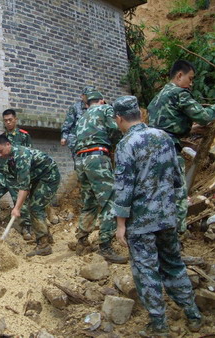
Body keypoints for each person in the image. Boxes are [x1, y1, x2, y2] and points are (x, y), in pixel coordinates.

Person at [113, 95, 203, 337]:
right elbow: (177, 179)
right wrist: (178, 213)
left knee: (147, 271)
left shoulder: (126, 145)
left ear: (120, 119)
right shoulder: (163, 137)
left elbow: (124, 187)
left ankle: (159, 325)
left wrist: (120, 224)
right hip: (167, 218)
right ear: (139, 115)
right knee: (174, 265)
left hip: (141, 223)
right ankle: (193, 315)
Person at [148, 60, 215, 234]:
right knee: (178, 194)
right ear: (179, 75)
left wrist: (190, 129)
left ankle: (159, 236)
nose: (191, 84)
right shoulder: (179, 93)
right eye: (190, 79)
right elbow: (204, 116)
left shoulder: (157, 98)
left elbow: (167, 126)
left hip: (153, 151)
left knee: (160, 194)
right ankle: (176, 240)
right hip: (169, 150)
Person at [71, 90, 127, 264]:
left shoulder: (81, 117)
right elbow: (115, 129)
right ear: (102, 101)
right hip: (97, 158)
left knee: (89, 202)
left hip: (80, 160)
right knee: (109, 201)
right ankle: (105, 246)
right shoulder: (105, 109)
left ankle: (81, 241)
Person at [0, 134, 61, 256]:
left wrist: (16, 208)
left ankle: (44, 246)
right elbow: (21, 184)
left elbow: (24, 187)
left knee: (35, 207)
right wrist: (19, 205)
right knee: (33, 207)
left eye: (0, 151)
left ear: (8, 144)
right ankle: (46, 237)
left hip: (49, 176)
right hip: (37, 178)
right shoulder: (9, 158)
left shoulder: (21, 156)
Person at [0, 109, 33, 240]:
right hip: (3, 174)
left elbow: (29, 156)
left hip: (16, 176)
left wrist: (28, 179)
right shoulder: (1, 138)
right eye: (5, 120)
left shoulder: (24, 136)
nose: (8, 122)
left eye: (10, 120)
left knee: (20, 203)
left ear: (15, 119)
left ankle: (26, 227)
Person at [60, 85, 95, 160]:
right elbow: (68, 123)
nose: (90, 97)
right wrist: (64, 137)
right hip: (76, 139)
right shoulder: (75, 107)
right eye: (88, 95)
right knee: (79, 161)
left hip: (92, 139)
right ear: (82, 96)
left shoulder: (97, 106)